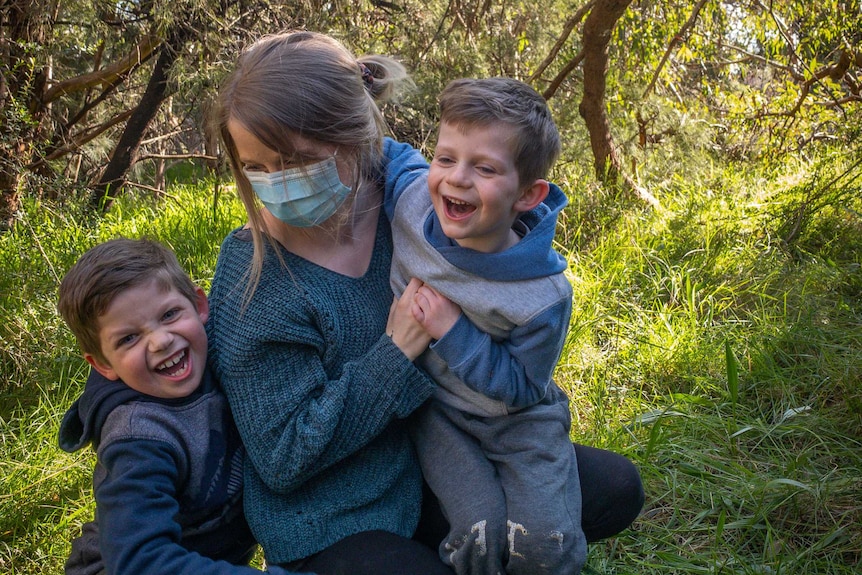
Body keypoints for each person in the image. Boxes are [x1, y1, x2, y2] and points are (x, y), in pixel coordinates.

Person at [207, 30, 643, 575]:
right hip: (338, 515)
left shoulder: (407, 206)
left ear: (354, 139)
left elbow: (492, 214)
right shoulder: (254, 278)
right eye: (258, 168)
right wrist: (393, 355)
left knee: (613, 487)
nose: (280, 183)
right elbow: (282, 458)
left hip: (435, 456)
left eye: (299, 160)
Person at [382, 77, 585, 575]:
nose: (456, 179)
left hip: (520, 426)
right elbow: (371, 146)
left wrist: (454, 332)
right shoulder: (411, 201)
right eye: (446, 158)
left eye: (485, 168)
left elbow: (522, 388)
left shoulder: (543, 298)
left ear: (527, 194)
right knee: (479, 529)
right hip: (437, 415)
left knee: (542, 543)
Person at [57, 238, 301, 575]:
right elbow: (140, 561)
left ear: (200, 305)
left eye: (170, 314)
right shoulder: (138, 437)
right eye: (128, 338)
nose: (161, 341)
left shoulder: (226, 354)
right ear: (102, 364)